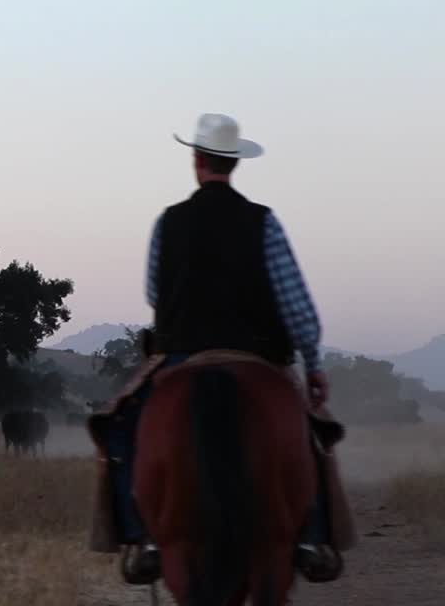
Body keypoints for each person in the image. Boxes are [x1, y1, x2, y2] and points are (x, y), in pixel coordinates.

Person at [106, 113, 341, 585]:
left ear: (197, 160)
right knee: (310, 435)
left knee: (120, 426)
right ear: (234, 163)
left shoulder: (168, 223)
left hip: (182, 353)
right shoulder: (264, 222)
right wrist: (313, 367)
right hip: (259, 355)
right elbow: (296, 306)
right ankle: (312, 536)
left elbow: (155, 293)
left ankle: (142, 537)